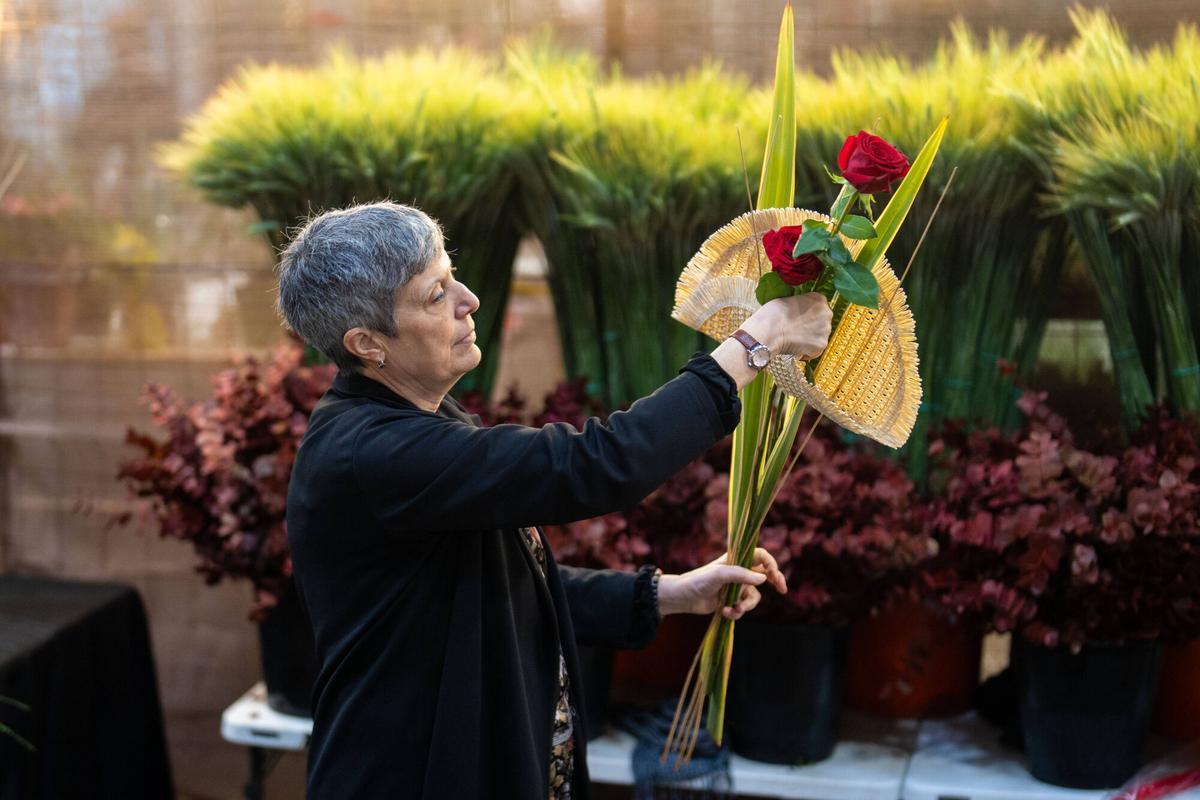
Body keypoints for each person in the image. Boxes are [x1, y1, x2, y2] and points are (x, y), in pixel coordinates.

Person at [277, 201, 833, 799]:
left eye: (452, 274)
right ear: (366, 343)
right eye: (435, 295)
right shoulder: (373, 452)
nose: (469, 299)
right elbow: (597, 465)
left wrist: (665, 594)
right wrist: (757, 340)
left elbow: (498, 584)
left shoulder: (416, 418)